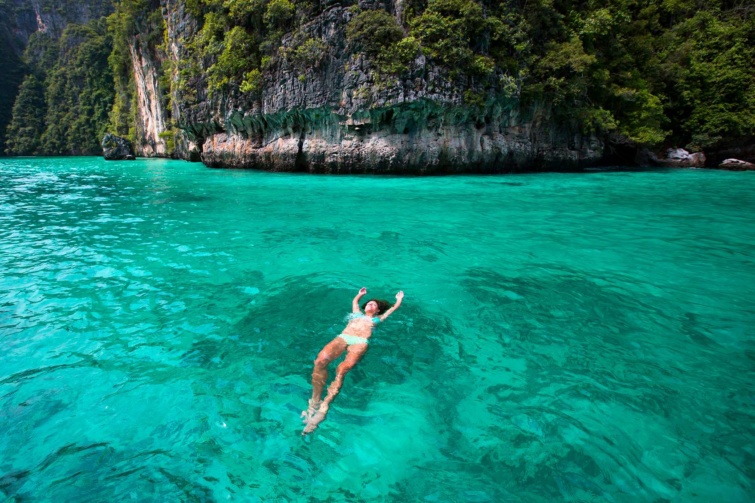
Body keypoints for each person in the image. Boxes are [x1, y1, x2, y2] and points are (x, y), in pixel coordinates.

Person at [302, 287, 404, 434]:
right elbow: (355, 303)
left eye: (374, 304)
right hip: (343, 337)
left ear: (377, 310)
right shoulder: (356, 314)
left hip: (360, 342)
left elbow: (392, 310)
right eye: (368, 303)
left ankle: (324, 407)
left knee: (341, 370)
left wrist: (398, 300)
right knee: (319, 361)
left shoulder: (377, 319)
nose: (370, 305)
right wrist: (359, 295)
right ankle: (314, 402)